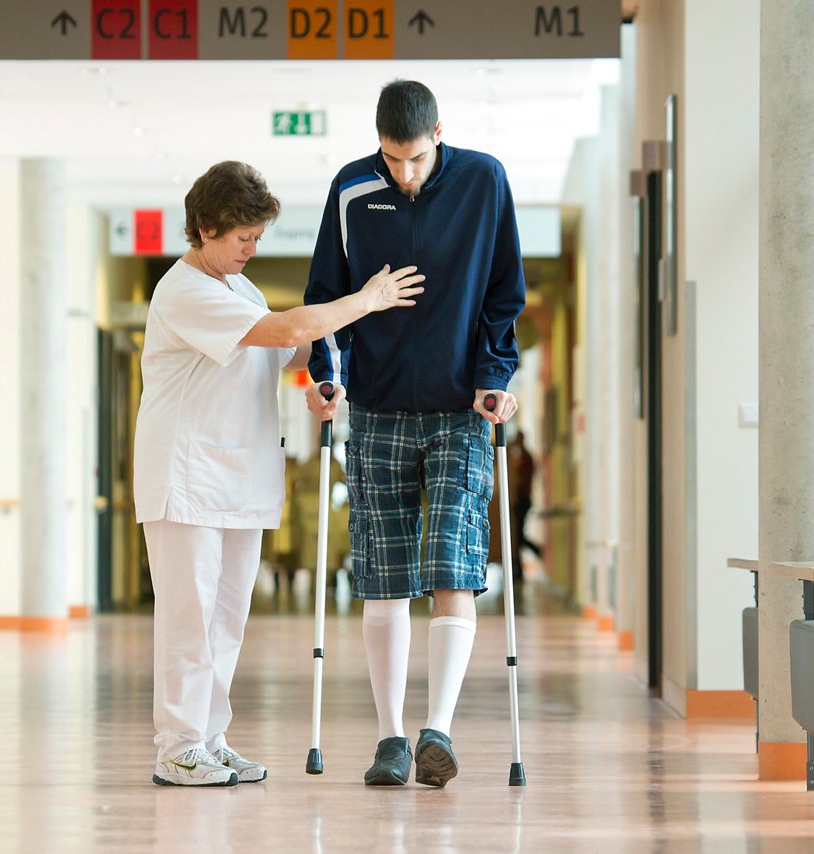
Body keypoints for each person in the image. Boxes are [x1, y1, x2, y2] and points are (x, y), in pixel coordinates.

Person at [133, 161, 425, 787]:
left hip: (238, 478)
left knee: (227, 620)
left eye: (258, 237)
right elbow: (291, 327)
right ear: (205, 228)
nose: (251, 248)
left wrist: (321, 380)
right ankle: (177, 745)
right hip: (185, 482)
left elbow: (291, 346)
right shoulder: (183, 289)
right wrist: (365, 299)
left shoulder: (244, 292)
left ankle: (209, 739)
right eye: (243, 236)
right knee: (190, 620)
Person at [304, 81, 526, 788]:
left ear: (440, 133)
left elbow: (502, 294)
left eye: (417, 158)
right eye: (392, 159)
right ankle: (391, 738)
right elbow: (324, 297)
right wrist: (325, 372)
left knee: (452, 564)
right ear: (379, 142)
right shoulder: (350, 188)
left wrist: (495, 374)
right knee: (385, 572)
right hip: (374, 407)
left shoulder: (484, 181)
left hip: (462, 409)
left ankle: (440, 729)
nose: (404, 173)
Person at [507, 430, 543, 582]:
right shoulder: (521, 456)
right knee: (516, 536)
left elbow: (521, 479)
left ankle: (538, 551)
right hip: (521, 499)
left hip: (523, 500)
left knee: (517, 536)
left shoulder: (525, 458)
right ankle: (518, 569)